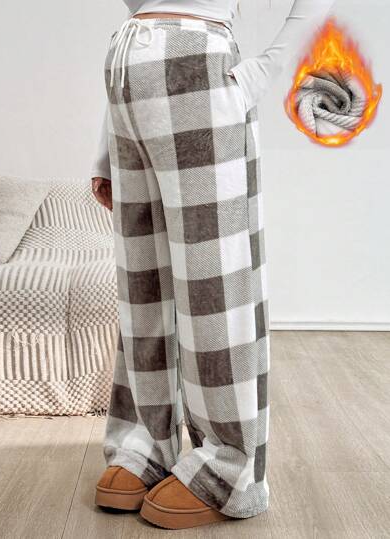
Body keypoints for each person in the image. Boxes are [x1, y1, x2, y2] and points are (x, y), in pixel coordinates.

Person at [91, 0, 336, 530]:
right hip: (128, 82)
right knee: (143, 286)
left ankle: (229, 466)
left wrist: (258, 75)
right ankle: (144, 445)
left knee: (214, 288)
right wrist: (105, 146)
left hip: (199, 75)